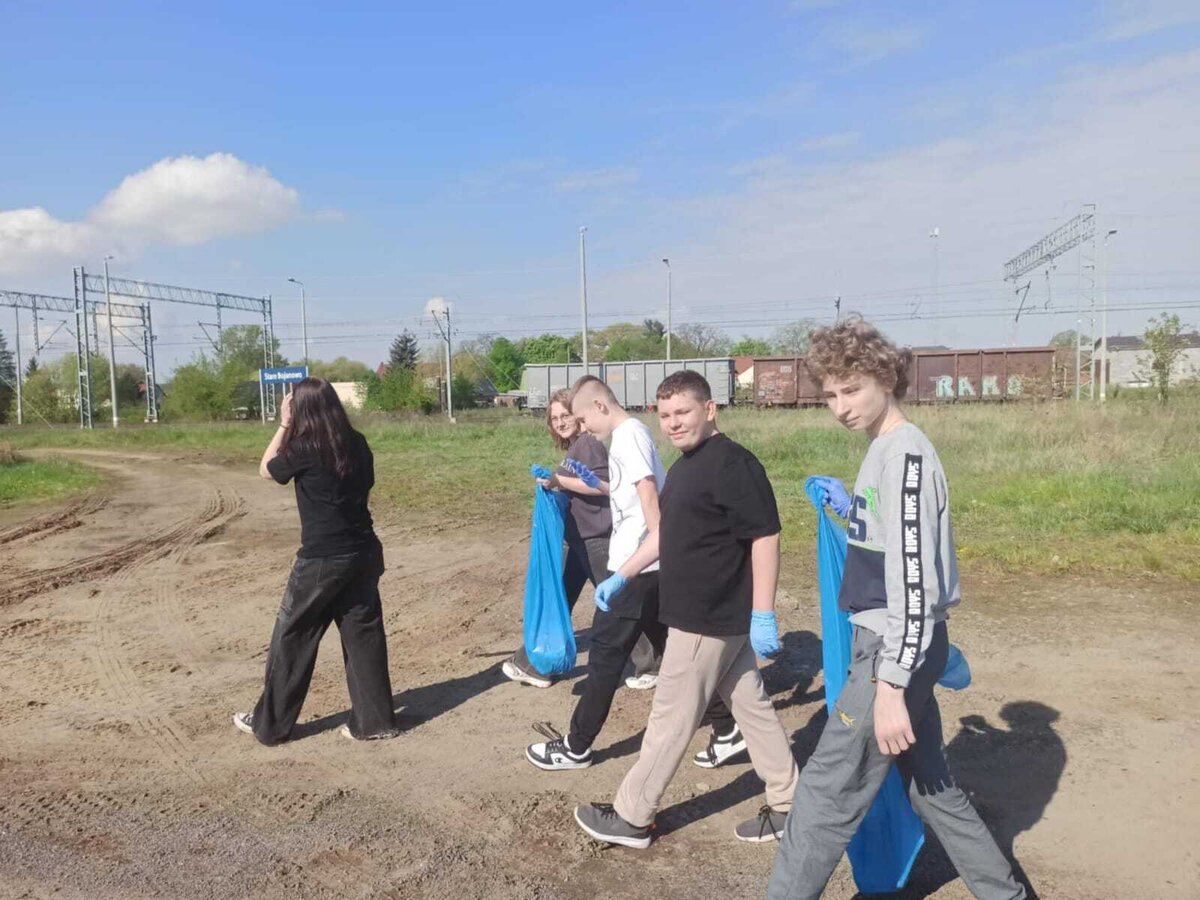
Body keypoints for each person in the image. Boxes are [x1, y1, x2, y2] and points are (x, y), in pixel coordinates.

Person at [766, 317, 1025, 899]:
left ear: (886, 379)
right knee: (931, 787)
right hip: (899, 646)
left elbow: (914, 581)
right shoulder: (883, 448)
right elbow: (893, 542)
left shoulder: (906, 456)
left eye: (851, 389)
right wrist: (852, 508)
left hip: (892, 650)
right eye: (830, 394)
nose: (840, 407)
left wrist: (890, 685)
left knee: (825, 793)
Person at [573, 370, 799, 848]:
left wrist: (764, 611)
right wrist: (623, 574)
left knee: (670, 717)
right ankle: (790, 800)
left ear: (710, 409)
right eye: (666, 415)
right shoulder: (683, 467)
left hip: (708, 617)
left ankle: (632, 816)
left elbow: (765, 536)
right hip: (706, 616)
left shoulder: (734, 464)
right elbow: (666, 535)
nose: (673, 423)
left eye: (683, 412)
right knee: (752, 709)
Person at [233, 378, 398, 745]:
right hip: (364, 552)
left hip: (322, 560)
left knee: (292, 637)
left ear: (300, 409)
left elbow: (266, 469)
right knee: (364, 636)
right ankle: (375, 723)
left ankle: (270, 725)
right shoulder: (357, 443)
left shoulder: (304, 447)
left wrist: (283, 424)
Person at [524, 376, 668, 771]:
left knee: (604, 655)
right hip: (644, 563)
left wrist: (634, 566)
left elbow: (650, 502)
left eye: (584, 419)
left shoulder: (629, 437)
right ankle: (727, 724)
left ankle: (576, 746)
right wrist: (599, 484)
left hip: (636, 565)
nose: (583, 428)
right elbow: (628, 494)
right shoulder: (628, 436)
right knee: (675, 647)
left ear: (600, 407)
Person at [503, 387, 655, 689]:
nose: (560, 422)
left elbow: (607, 486)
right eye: (554, 418)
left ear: (578, 415)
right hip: (577, 538)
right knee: (560, 596)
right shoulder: (578, 446)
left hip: (595, 538)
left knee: (617, 601)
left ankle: (652, 664)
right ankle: (535, 663)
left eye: (565, 415)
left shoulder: (589, 444)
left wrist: (558, 480)